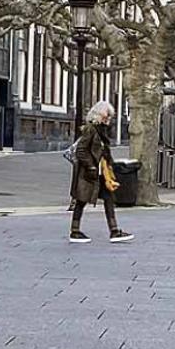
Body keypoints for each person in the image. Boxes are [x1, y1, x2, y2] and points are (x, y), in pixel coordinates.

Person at [70, 100, 134, 244]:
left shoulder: (101, 131)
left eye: (109, 117)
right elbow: (81, 150)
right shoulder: (91, 129)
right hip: (89, 173)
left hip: (100, 173)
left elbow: (104, 152)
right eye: (106, 117)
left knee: (108, 199)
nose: (108, 120)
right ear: (98, 115)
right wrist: (90, 166)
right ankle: (75, 231)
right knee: (81, 200)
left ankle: (114, 230)